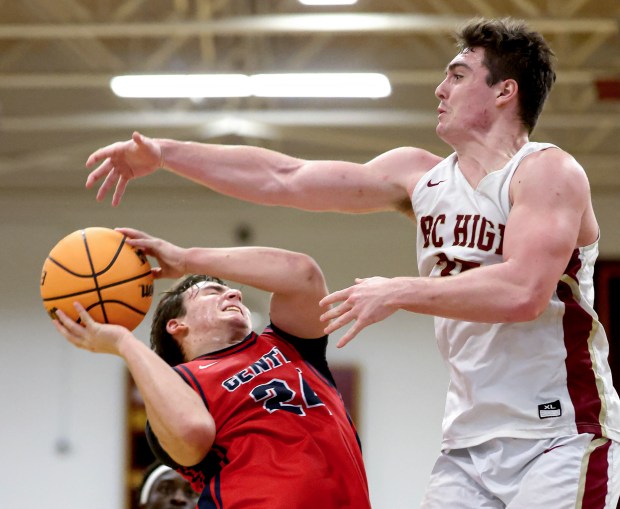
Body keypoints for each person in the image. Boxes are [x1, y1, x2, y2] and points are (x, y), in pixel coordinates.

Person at [83, 17, 620, 508]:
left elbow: (524, 292)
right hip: (468, 438)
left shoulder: (546, 172)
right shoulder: (419, 176)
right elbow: (284, 177)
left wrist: (396, 291)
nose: (440, 89)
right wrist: (164, 153)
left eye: (457, 76)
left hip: (559, 430)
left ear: (505, 91)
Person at [53, 228, 371, 509]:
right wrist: (124, 343)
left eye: (229, 290)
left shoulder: (292, 345)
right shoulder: (182, 387)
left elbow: (303, 274)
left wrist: (188, 259)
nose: (234, 292)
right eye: (211, 291)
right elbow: (193, 433)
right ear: (176, 325)